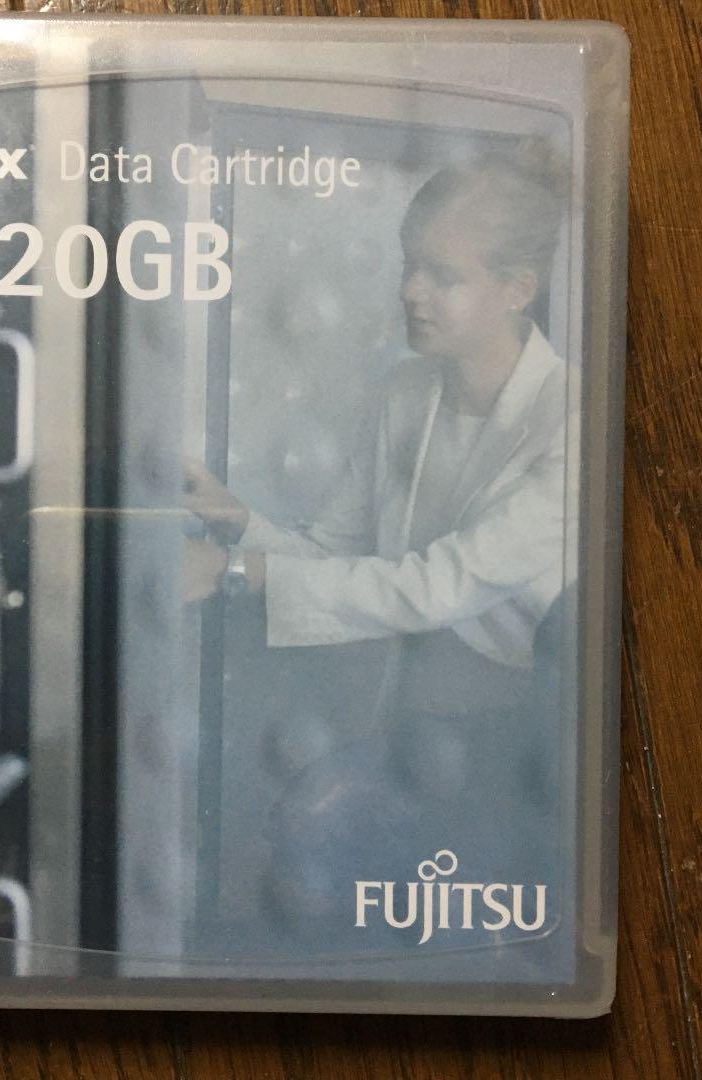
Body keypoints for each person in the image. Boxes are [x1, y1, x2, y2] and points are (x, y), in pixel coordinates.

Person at [185, 144, 576, 921]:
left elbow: (436, 587)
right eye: (409, 264)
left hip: (520, 746)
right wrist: (237, 520)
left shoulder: (573, 420)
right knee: (306, 842)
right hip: (418, 729)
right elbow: (340, 555)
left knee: (314, 835)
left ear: (517, 290)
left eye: (443, 275)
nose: (410, 291)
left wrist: (236, 573)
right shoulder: (408, 391)